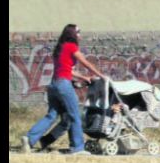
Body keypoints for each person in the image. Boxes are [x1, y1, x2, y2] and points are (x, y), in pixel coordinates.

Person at [20, 24, 105, 155]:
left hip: (53, 85)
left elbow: (67, 70)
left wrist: (84, 77)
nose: (80, 35)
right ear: (72, 33)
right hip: (64, 85)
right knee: (75, 115)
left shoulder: (59, 48)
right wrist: (101, 76)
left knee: (52, 115)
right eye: (79, 32)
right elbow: (85, 63)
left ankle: (29, 138)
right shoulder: (71, 46)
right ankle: (77, 148)